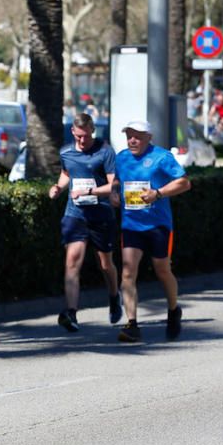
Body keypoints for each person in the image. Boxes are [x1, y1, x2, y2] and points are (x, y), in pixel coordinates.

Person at [113, 120, 191, 342]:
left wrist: (157, 193)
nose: (132, 140)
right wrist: (114, 193)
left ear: (149, 137)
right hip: (131, 224)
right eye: (129, 135)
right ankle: (132, 325)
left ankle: (174, 310)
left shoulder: (162, 157)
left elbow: (184, 183)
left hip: (158, 225)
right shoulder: (122, 157)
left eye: (137, 136)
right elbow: (117, 180)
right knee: (128, 272)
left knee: (162, 270)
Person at [47, 113, 122, 331]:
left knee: (105, 264)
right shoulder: (66, 152)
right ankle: (71, 313)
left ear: (92, 132)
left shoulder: (105, 152)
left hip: (101, 216)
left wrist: (89, 191)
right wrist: (58, 188)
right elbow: (66, 174)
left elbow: (112, 186)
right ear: (73, 132)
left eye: (86, 136)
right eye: (78, 136)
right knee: (72, 261)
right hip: (75, 214)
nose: (82, 141)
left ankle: (114, 295)